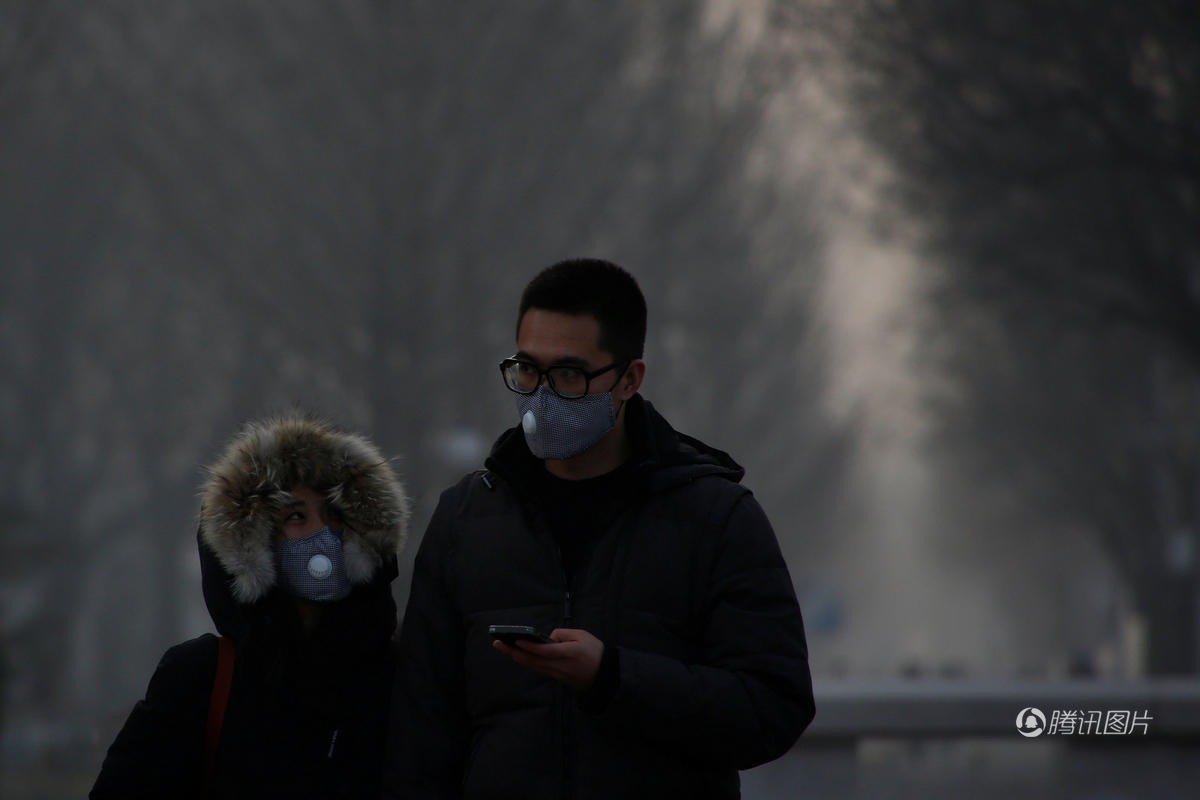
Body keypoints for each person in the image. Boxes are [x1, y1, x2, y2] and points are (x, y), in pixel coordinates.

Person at [384, 259, 814, 799]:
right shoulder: (467, 518)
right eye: (526, 369)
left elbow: (773, 707)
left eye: (568, 374)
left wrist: (613, 678)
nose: (540, 394)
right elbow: (419, 734)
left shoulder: (715, 518)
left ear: (629, 379)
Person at [92, 413, 410, 799]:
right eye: (296, 516)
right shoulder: (202, 679)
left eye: (334, 514)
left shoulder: (397, 677)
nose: (322, 533)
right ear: (252, 544)